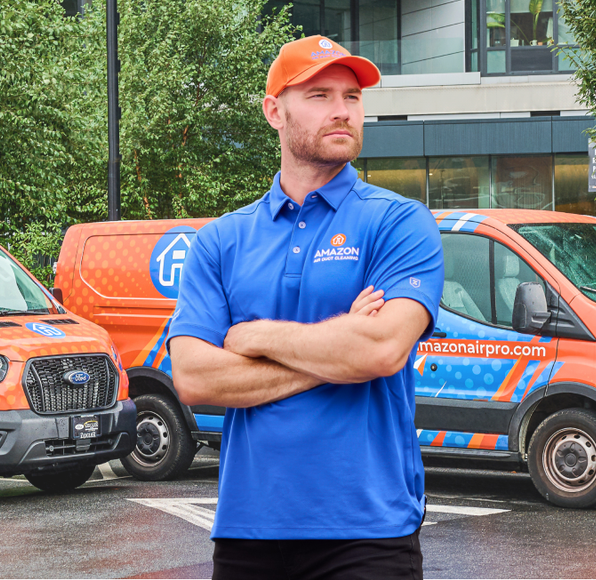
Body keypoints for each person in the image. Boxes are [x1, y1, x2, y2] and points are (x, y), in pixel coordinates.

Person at [168, 35, 444, 580]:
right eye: (319, 95)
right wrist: (338, 346)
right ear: (274, 111)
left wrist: (253, 337)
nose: (342, 110)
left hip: (370, 531)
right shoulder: (222, 239)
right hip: (249, 530)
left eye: (352, 96)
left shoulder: (400, 222)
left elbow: (382, 350)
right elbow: (195, 378)